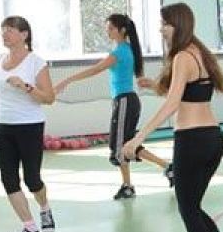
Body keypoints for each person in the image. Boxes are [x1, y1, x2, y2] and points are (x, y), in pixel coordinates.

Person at [122, 3, 223, 232]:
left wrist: (138, 138)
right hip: (213, 138)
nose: (161, 29)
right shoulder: (198, 52)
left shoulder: (181, 57)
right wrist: (155, 85)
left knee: (187, 209)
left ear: (179, 24)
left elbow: (173, 104)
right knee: (194, 205)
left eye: (165, 23)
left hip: (192, 140)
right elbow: (188, 92)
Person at [55, 13, 173, 199]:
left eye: (111, 28)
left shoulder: (119, 53)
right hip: (126, 101)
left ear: (122, 30)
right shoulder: (125, 49)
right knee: (125, 145)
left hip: (125, 101)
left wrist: (67, 80)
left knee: (118, 149)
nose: (107, 31)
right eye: (107, 28)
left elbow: (95, 69)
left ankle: (163, 169)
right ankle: (132, 183)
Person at [0, 17, 56, 232]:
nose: (4, 34)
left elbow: (49, 98)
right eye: (3, 30)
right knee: (8, 179)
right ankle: (29, 227)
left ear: (24, 35)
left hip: (29, 125)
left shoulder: (36, 63)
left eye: (10, 30)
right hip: (2, 125)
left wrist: (25, 86)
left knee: (32, 179)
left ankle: (44, 208)